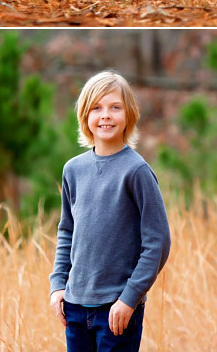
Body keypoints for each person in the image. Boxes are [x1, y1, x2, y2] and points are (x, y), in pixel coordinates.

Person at [49, 70, 171, 352]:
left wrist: (130, 298)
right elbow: (67, 232)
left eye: (115, 107)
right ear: (84, 116)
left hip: (117, 310)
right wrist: (58, 286)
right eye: (97, 108)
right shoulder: (73, 170)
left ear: (128, 114)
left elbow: (158, 242)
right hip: (75, 308)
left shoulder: (137, 171)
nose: (106, 115)